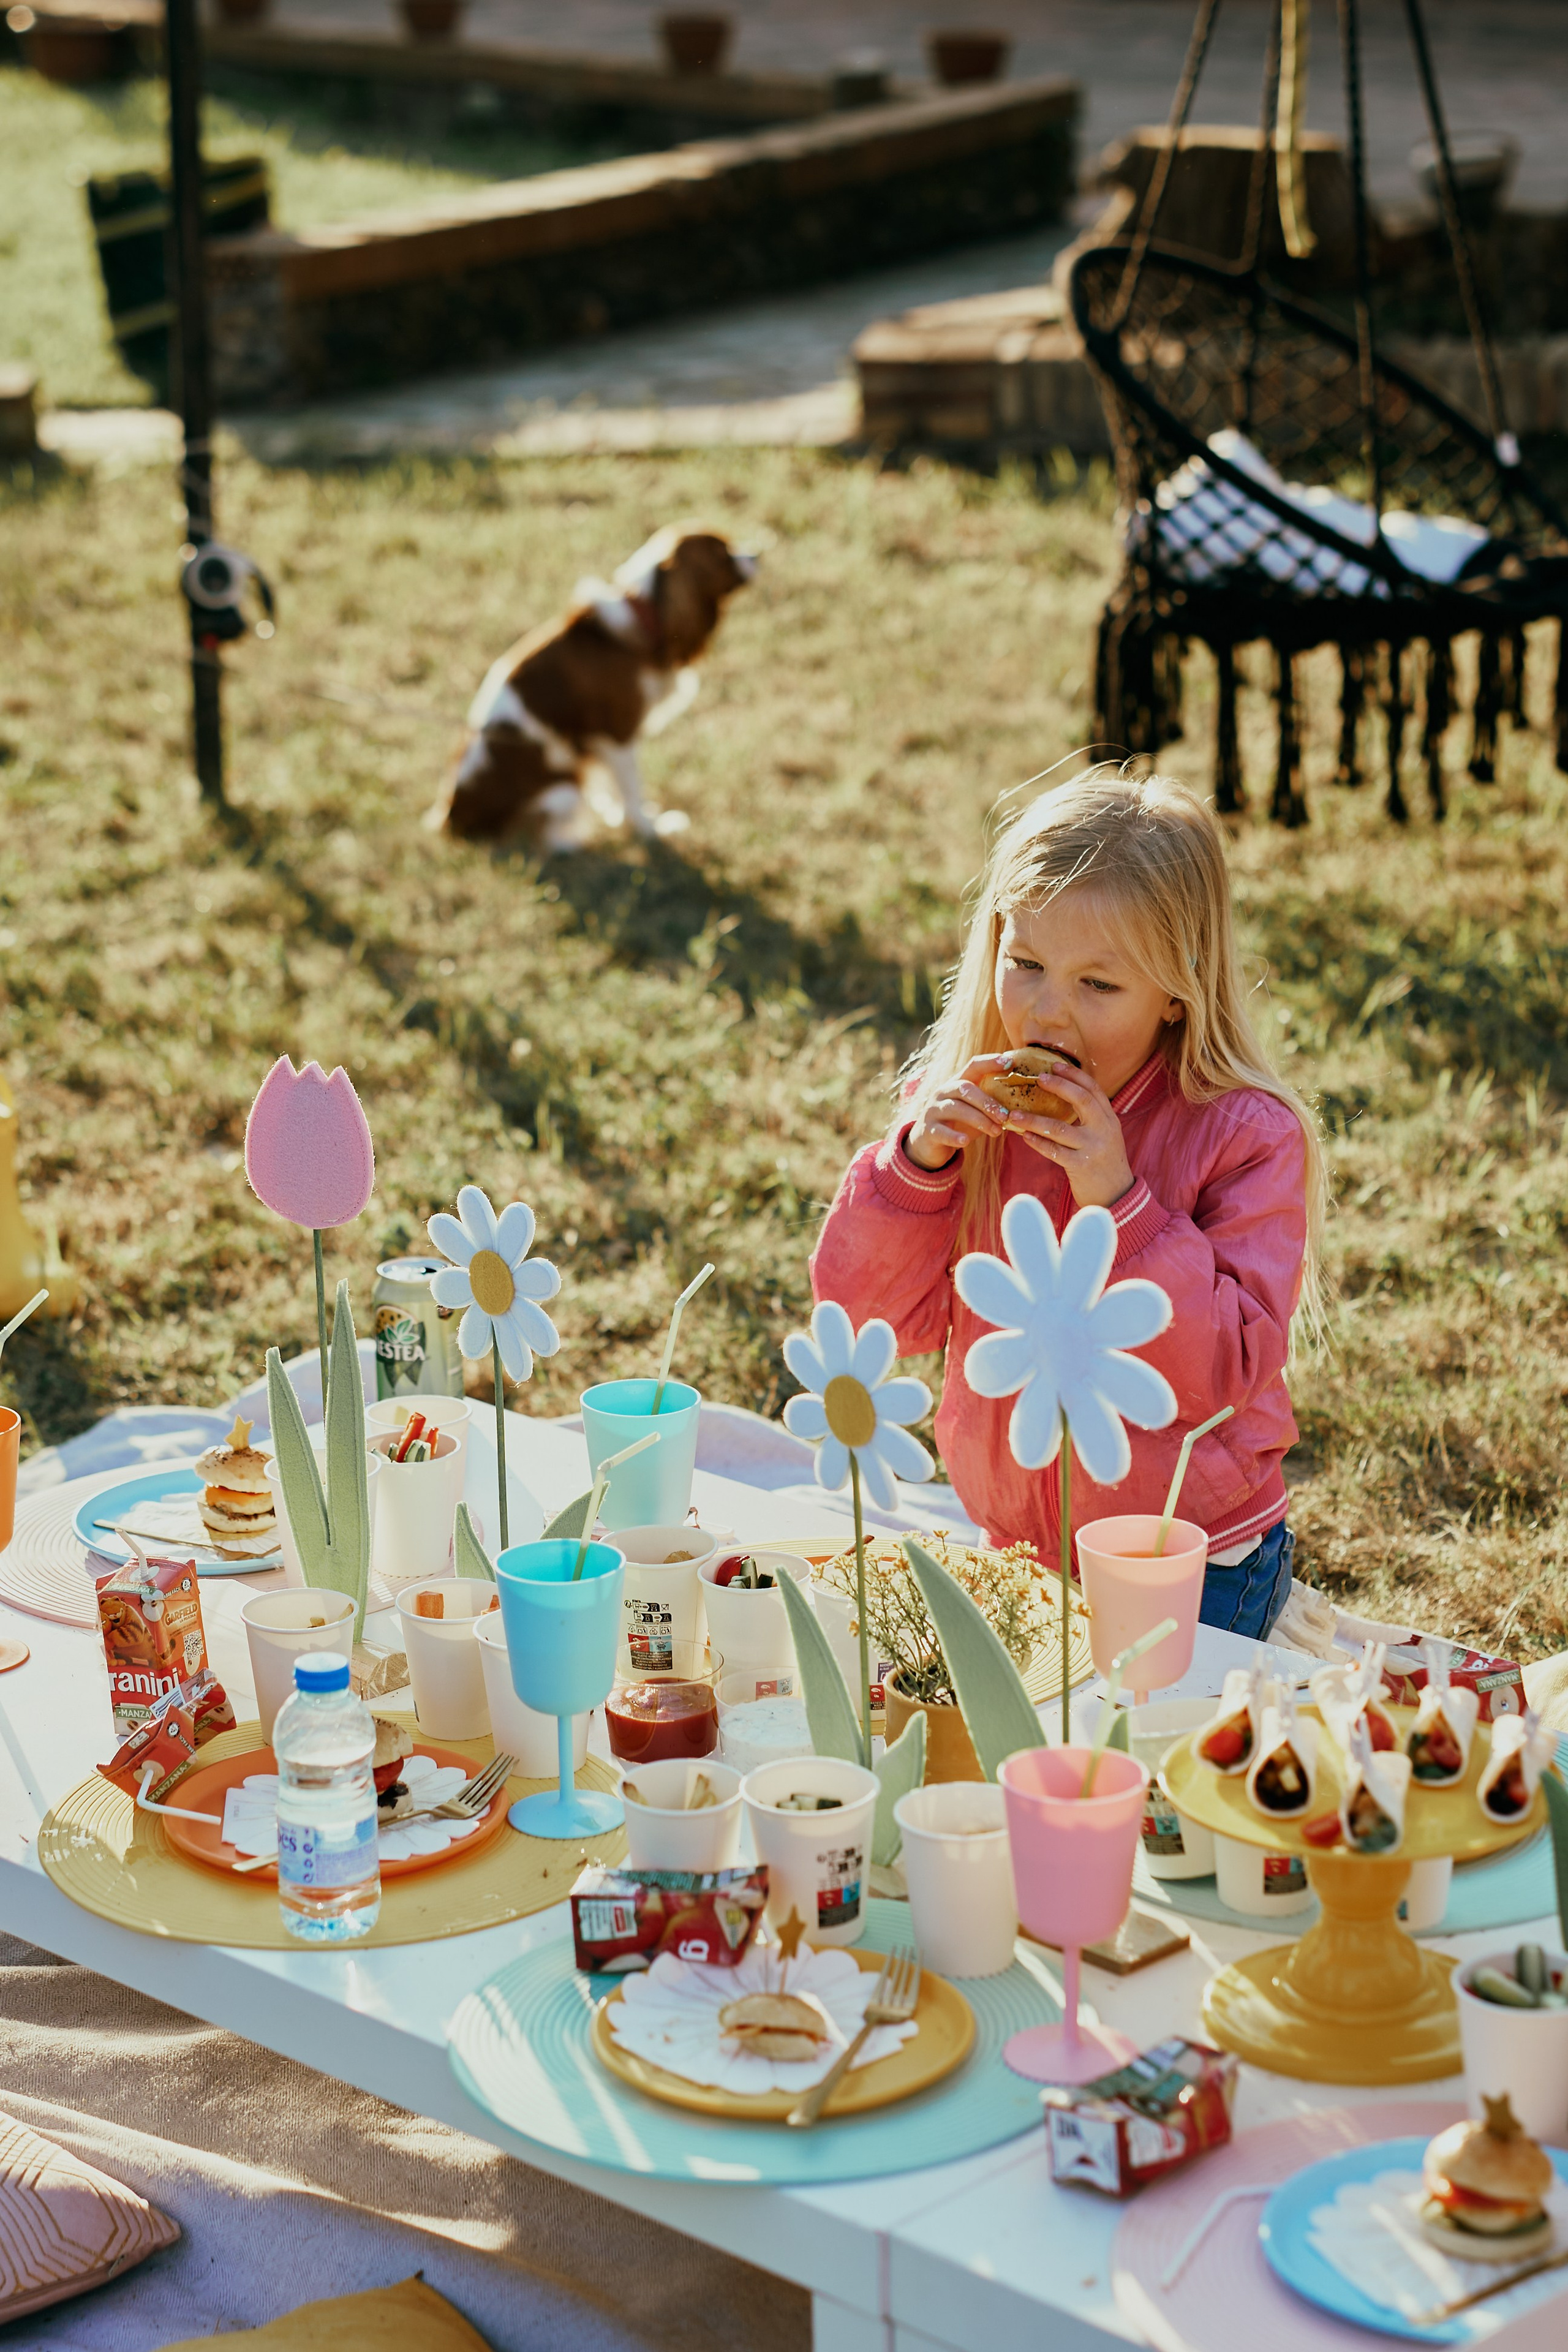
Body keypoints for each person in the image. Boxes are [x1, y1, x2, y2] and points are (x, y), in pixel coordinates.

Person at [810, 767, 1325, 1640]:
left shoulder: (1245, 1137)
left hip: (1188, 1559)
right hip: (1019, 1544)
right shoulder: (965, 1113)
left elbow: (1237, 1369)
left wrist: (1122, 1206)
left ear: (1178, 989)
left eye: (1099, 985)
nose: (1050, 1012)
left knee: (1138, 1761)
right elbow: (872, 1320)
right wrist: (916, 1168)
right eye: (1028, 966)